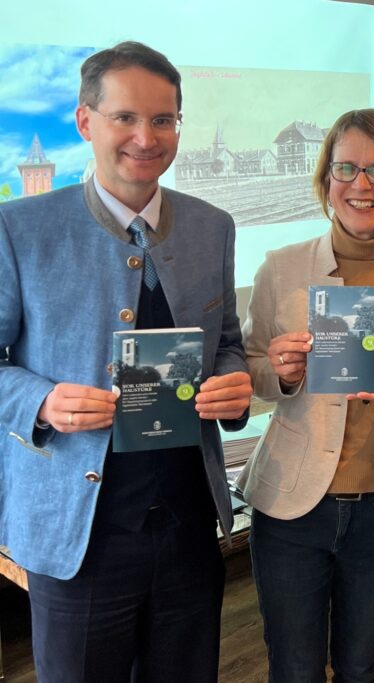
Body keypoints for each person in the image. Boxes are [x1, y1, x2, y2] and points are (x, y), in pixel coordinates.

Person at [0, 41, 253, 682]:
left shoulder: (213, 226)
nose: (146, 137)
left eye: (163, 119)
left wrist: (233, 380)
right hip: (79, 532)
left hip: (189, 523)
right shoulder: (19, 229)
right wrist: (40, 401)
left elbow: (226, 340)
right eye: (125, 118)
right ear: (86, 122)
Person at [238, 108, 374, 682]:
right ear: (326, 179)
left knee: (362, 666)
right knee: (294, 667)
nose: (361, 184)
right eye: (346, 168)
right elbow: (250, 370)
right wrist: (281, 372)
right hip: (292, 506)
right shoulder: (281, 268)